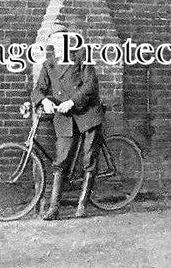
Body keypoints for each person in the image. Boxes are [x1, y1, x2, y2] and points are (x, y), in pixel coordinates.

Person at [31, 28, 104, 220]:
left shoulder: (82, 59)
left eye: (63, 41)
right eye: (56, 42)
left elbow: (90, 86)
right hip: (64, 119)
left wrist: (72, 102)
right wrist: (43, 100)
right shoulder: (49, 65)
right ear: (52, 45)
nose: (59, 45)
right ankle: (54, 208)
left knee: (89, 160)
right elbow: (38, 89)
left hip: (87, 114)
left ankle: (82, 205)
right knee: (61, 160)